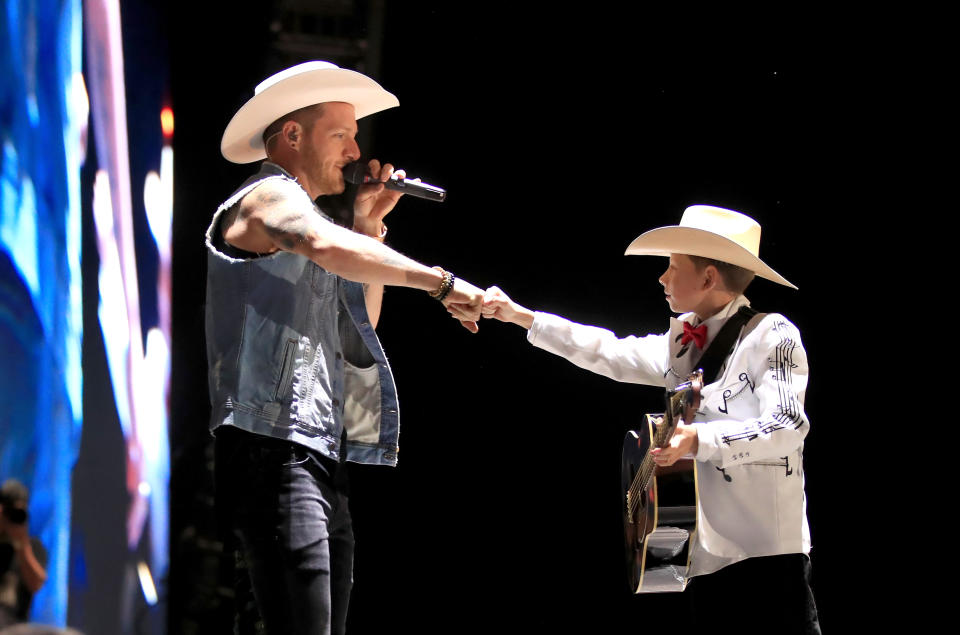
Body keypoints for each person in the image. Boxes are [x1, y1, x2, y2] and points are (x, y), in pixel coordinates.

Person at [206, 61, 484, 634]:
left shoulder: (318, 223)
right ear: (292, 135)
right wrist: (441, 282)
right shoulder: (265, 197)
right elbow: (316, 242)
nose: (357, 151)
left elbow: (360, 328)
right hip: (271, 451)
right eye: (343, 134)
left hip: (316, 453)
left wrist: (367, 224)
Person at [477, 205, 821, 634]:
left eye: (673, 266)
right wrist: (520, 316)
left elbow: (788, 426)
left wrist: (698, 439)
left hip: (766, 557)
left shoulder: (773, 334)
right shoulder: (681, 344)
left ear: (709, 278)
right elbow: (607, 351)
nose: (662, 277)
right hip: (700, 558)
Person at [0, 479, 48, 628]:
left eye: (18, 513)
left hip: (14, 627)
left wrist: (22, 544)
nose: (13, 518)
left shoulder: (33, 547)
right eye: (9, 512)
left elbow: (36, 583)